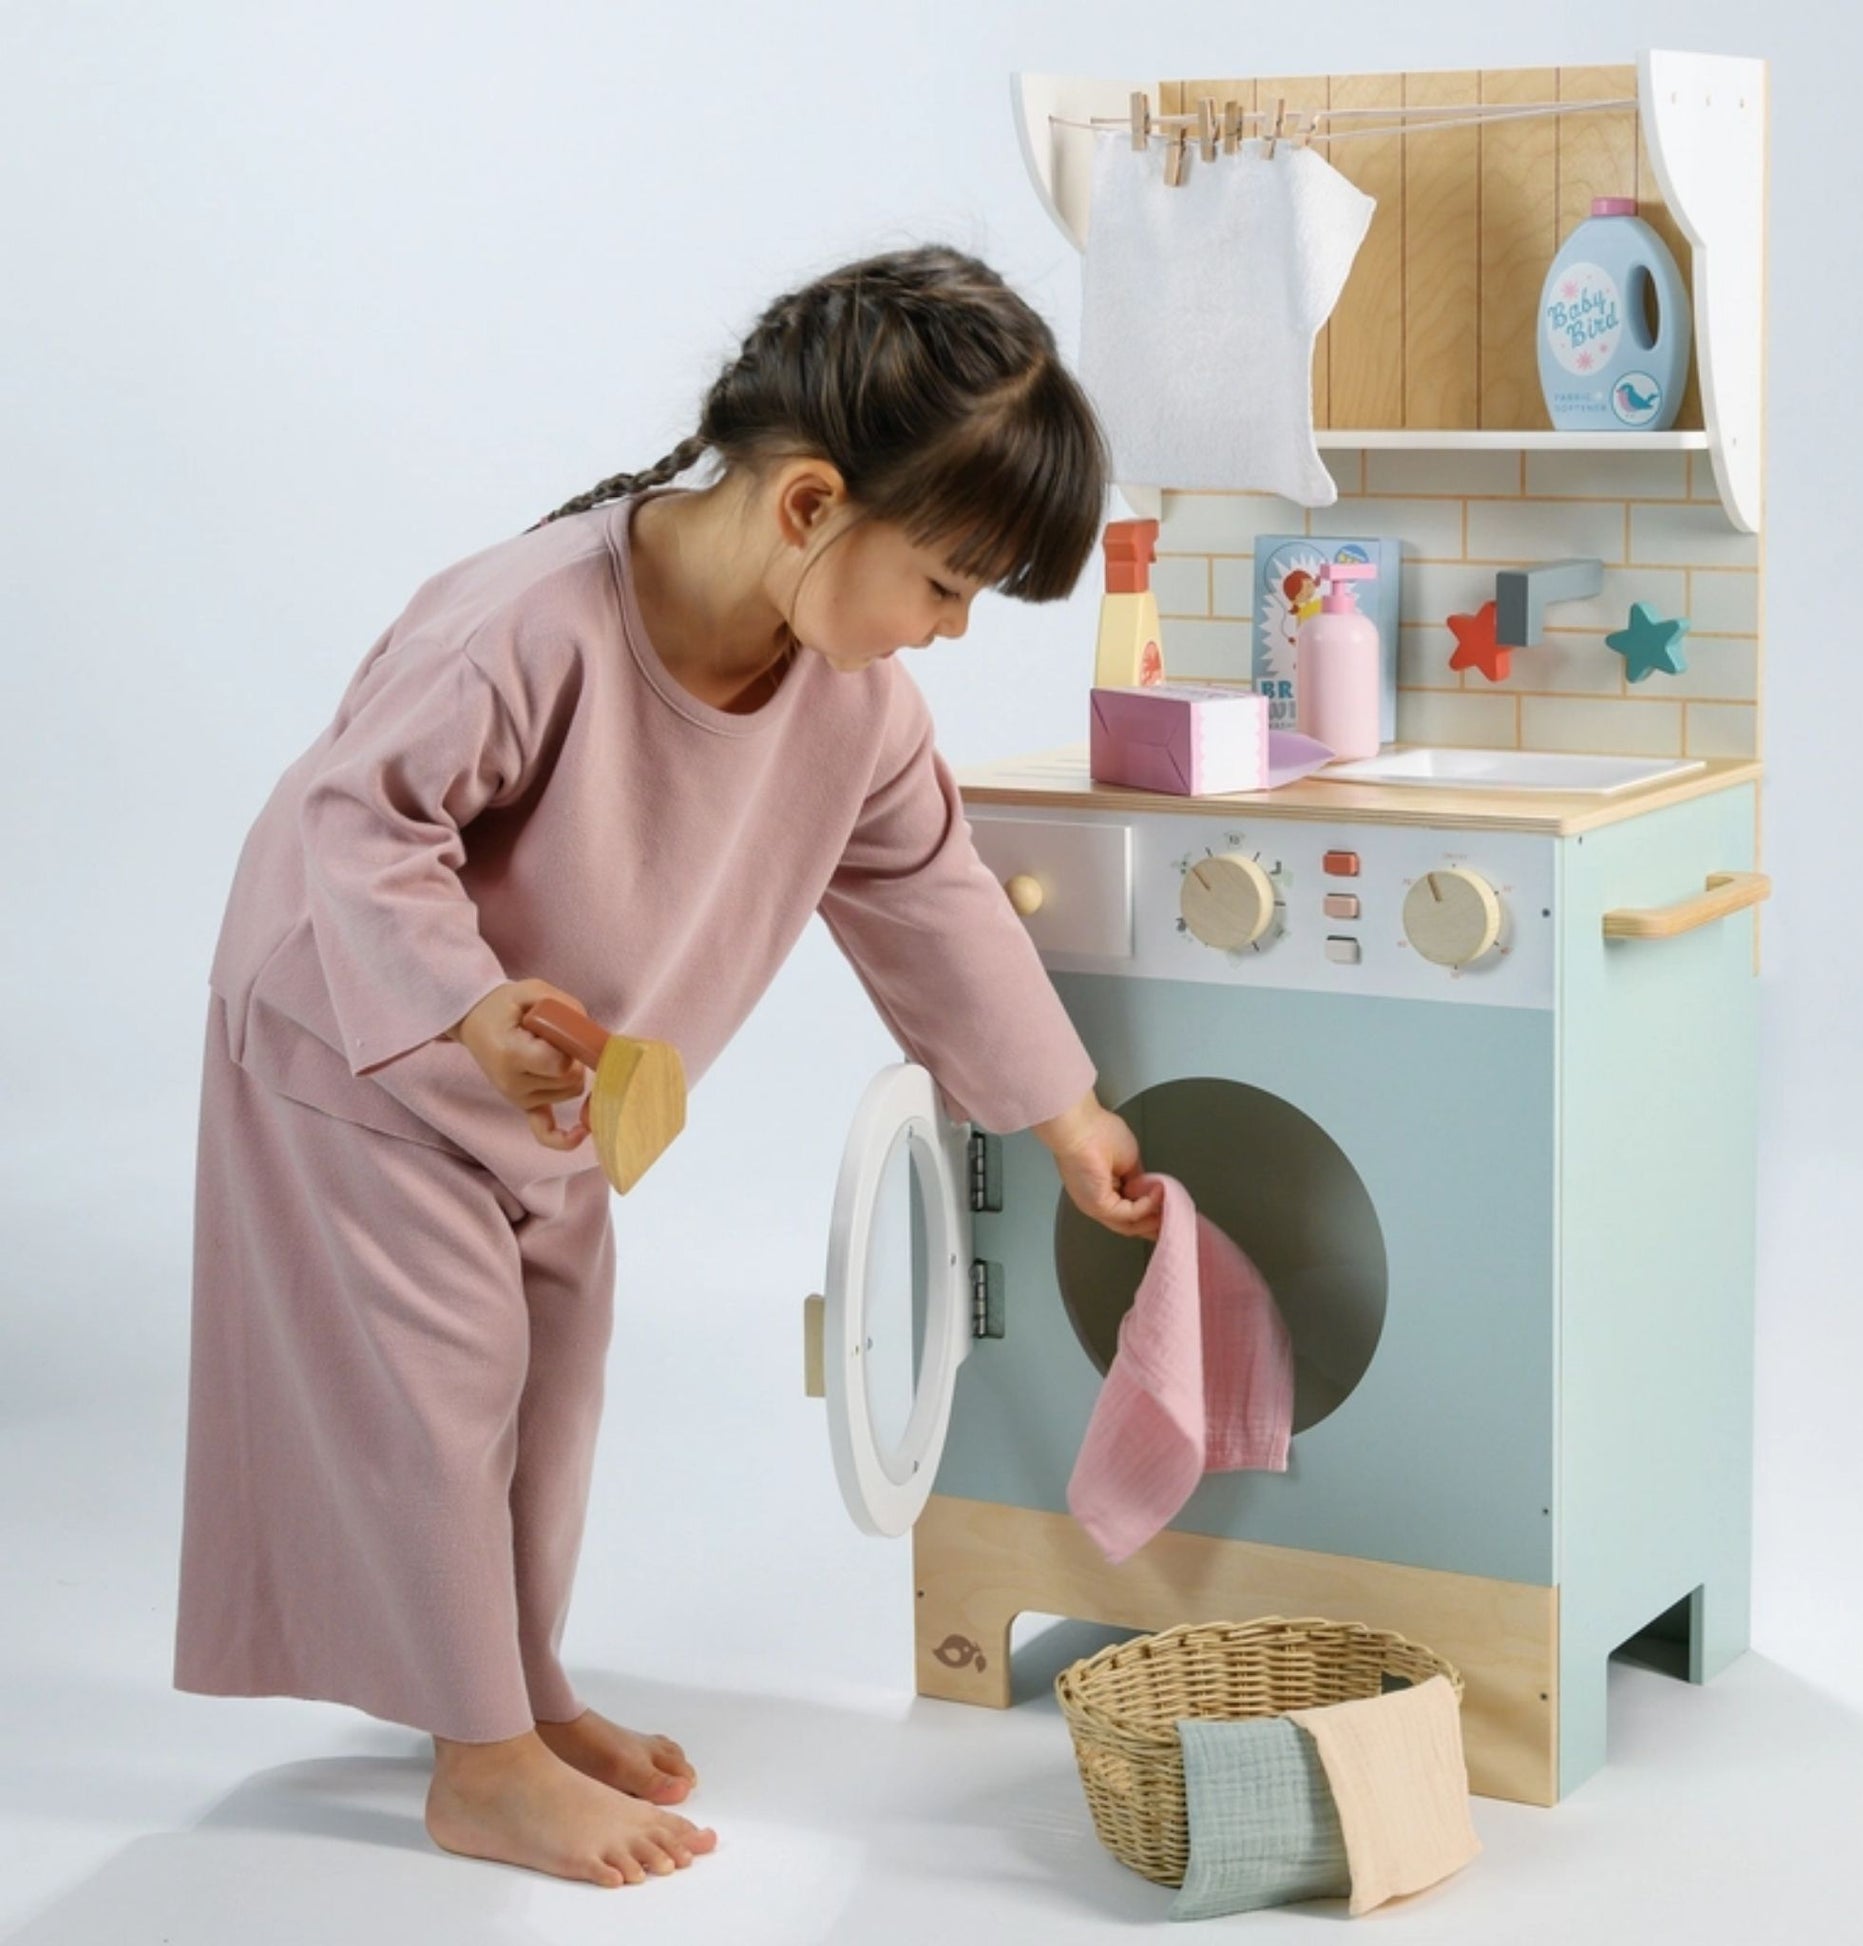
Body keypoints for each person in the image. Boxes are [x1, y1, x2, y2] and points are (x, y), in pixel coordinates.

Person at [175, 241, 1165, 1892]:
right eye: (944, 583)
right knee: (437, 1387)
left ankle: (516, 1688)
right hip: (358, 1033)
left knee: (548, 1388)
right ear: (809, 505)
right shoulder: (526, 622)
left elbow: (929, 895)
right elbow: (361, 821)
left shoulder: (855, 705)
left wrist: (1060, 1112)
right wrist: (462, 1008)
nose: (948, 629)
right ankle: (480, 1762)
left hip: (557, 1088)